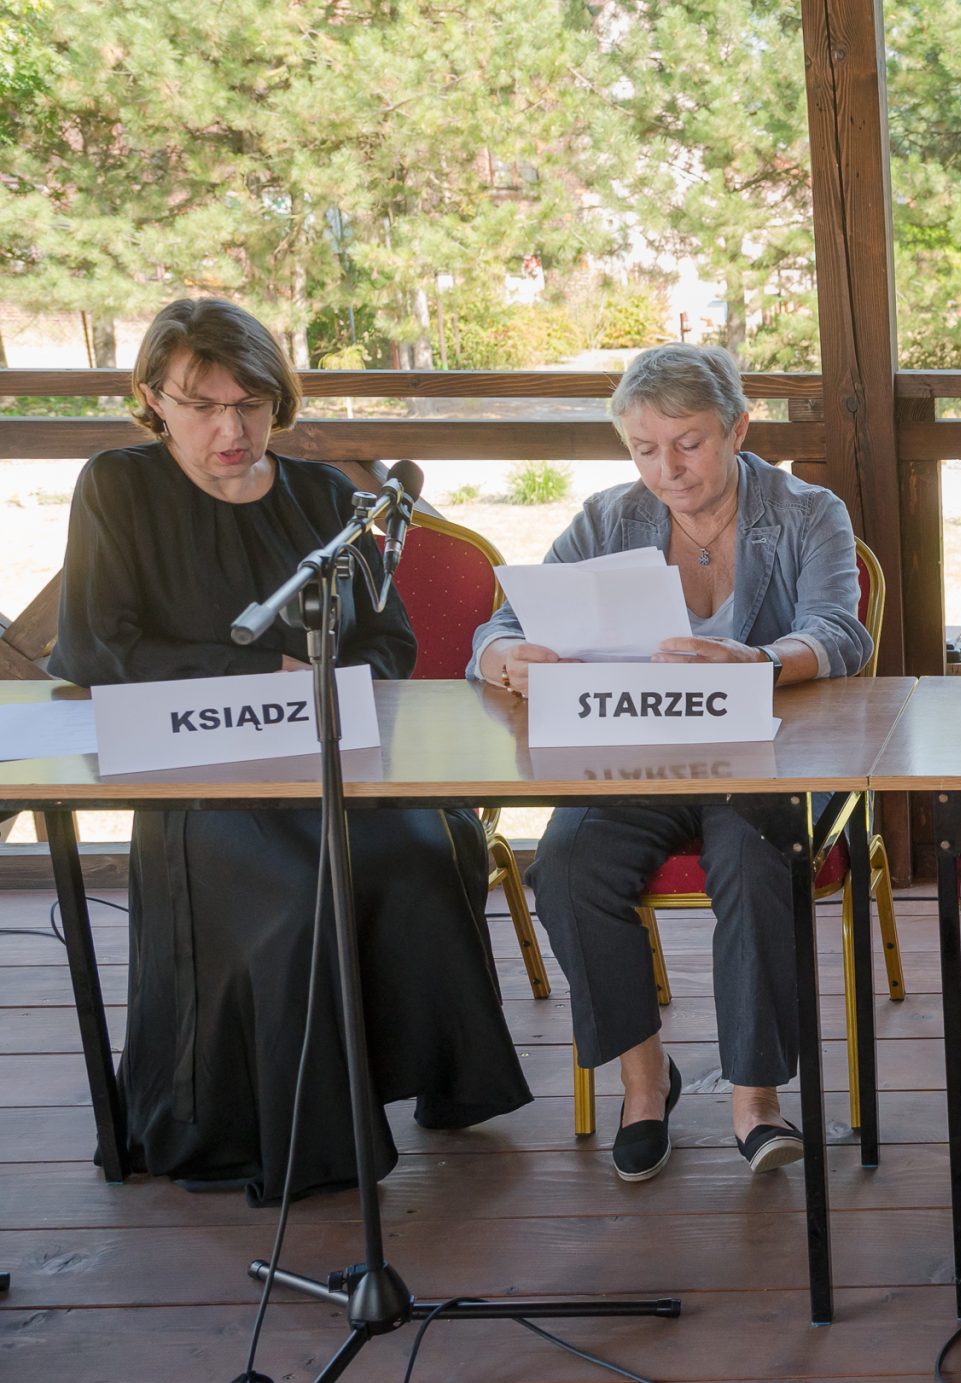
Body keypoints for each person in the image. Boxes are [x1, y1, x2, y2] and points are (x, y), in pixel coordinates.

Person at [50, 297, 531, 1203]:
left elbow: (389, 642)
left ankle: (434, 1078)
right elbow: (97, 648)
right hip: (195, 774)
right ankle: (308, 1137)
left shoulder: (322, 498)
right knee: (302, 886)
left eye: (251, 405)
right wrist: (255, 672)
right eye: (202, 406)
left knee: (432, 845)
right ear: (154, 398)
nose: (230, 430)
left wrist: (328, 687)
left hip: (324, 756)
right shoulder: (118, 486)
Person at [472, 343, 872, 1181]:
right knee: (567, 866)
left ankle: (754, 1097)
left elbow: (841, 632)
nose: (668, 470)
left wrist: (760, 662)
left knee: (756, 861)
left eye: (689, 443)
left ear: (738, 429)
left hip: (764, 756)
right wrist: (506, 658)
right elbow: (501, 625)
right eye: (644, 449)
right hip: (639, 755)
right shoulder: (609, 518)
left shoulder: (808, 511)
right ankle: (645, 1080)